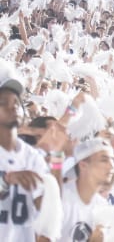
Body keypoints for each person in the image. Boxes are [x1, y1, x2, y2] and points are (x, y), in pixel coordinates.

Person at [0, 62, 56, 241]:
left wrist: (47, 201)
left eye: (16, 102)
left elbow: (47, 209)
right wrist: (6, 180)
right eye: (3, 102)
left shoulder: (34, 158)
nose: (13, 106)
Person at [61, 138, 114, 241]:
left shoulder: (103, 206)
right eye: (104, 160)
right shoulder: (61, 198)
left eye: (112, 159)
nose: (112, 166)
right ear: (83, 165)